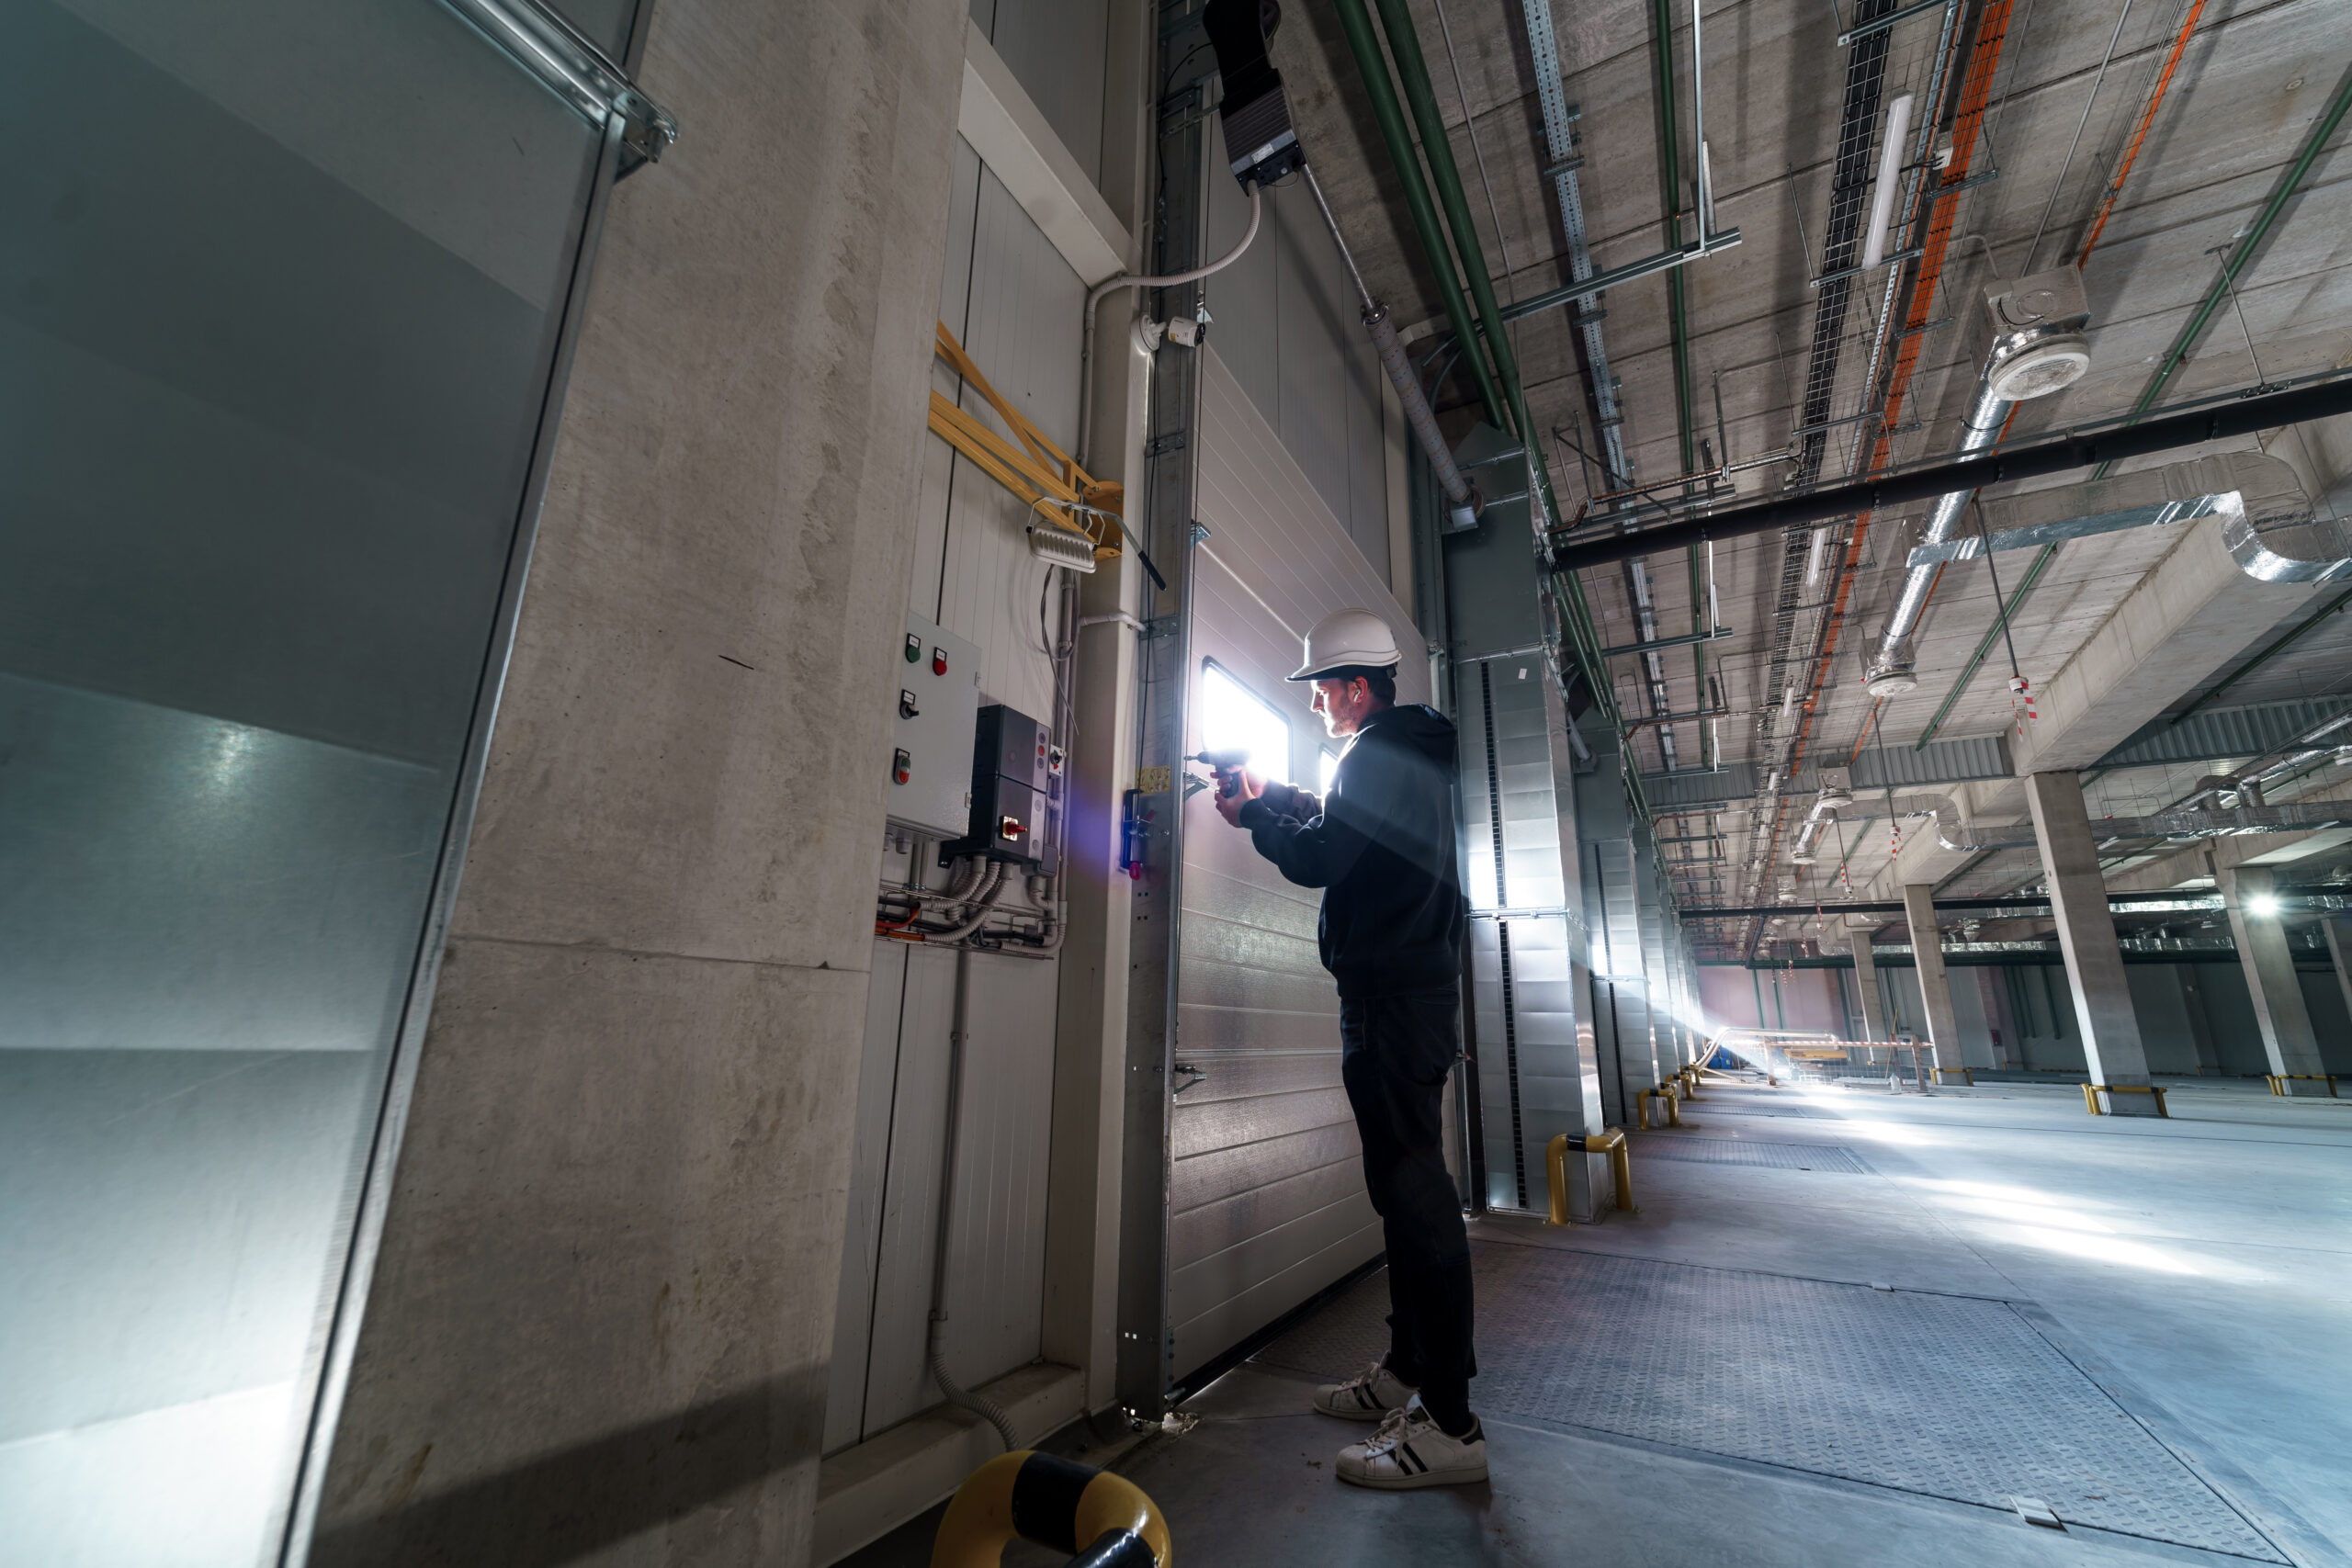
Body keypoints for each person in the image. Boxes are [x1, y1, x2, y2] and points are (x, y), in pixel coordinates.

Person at [1210, 607, 1482, 1490]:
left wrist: (1255, 819)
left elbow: (1326, 857)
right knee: (1403, 1193)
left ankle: (1449, 1420)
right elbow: (1349, 834)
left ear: (1354, 687)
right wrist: (1273, 801)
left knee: (1419, 1199)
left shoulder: (1374, 754)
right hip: (1406, 994)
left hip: (1393, 1003)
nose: (1316, 702)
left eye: (1320, 687)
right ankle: (1407, 1370)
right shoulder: (1404, 753)